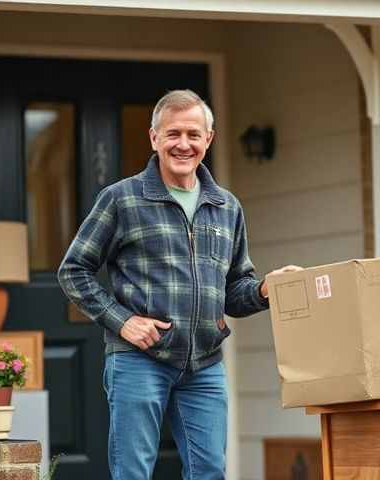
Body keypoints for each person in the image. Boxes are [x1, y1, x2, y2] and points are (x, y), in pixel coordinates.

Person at [58, 89, 301, 479]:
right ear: (154, 138)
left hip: (204, 365)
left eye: (193, 134)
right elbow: (74, 270)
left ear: (209, 139)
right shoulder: (122, 199)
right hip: (139, 361)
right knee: (133, 472)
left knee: (209, 472)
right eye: (173, 134)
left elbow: (234, 291)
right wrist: (122, 321)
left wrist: (263, 289)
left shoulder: (227, 206)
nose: (183, 144)